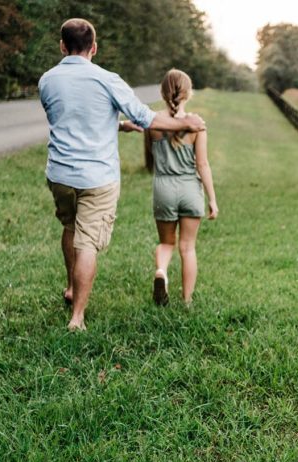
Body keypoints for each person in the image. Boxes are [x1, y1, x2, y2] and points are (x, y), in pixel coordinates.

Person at [39, 18, 206, 330]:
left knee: (70, 226)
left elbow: (73, 119)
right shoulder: (107, 79)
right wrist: (188, 124)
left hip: (60, 174)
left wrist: (117, 125)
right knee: (87, 242)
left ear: (62, 46)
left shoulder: (47, 80)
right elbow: (147, 118)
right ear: (94, 48)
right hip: (96, 177)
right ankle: (77, 318)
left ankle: (72, 287)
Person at [145, 69, 218, 306]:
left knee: (167, 242)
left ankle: (161, 272)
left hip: (163, 188)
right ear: (188, 93)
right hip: (190, 189)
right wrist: (212, 199)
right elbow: (203, 164)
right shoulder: (197, 125)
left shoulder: (154, 123)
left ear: (163, 92)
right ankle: (186, 301)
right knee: (188, 248)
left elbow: (147, 153)